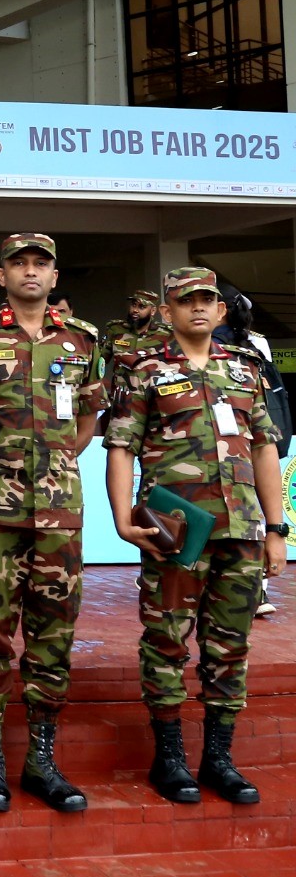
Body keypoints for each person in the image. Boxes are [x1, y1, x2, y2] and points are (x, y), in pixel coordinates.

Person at [105, 267, 287, 806]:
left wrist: (277, 529)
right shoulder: (144, 370)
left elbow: (265, 449)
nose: (199, 308)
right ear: (168, 312)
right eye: (187, 301)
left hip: (241, 530)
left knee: (230, 647)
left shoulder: (245, 368)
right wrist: (122, 518)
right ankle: (169, 758)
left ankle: (219, 759)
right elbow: (121, 447)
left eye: (208, 299)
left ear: (222, 310)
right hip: (176, 530)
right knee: (165, 641)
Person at [0, 234, 103, 815]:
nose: (30, 271)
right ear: (1, 275)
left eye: (41, 264)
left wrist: (61, 462)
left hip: (60, 509)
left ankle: (41, 760)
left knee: (55, 631)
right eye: (19, 263)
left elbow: (89, 414)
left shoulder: (82, 340)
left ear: (54, 277)